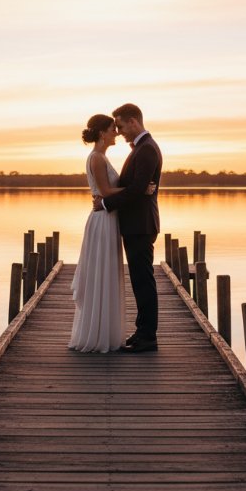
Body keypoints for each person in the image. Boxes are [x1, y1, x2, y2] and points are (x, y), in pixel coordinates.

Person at [93, 103, 162, 353]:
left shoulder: (147, 150)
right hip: (135, 224)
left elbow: (135, 191)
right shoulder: (141, 148)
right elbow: (132, 187)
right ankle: (142, 331)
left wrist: (106, 203)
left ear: (133, 122)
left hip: (141, 225)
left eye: (121, 126)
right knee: (139, 280)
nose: (120, 132)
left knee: (144, 281)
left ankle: (148, 338)